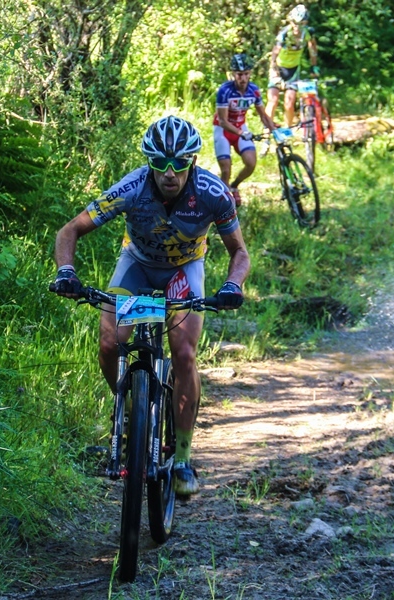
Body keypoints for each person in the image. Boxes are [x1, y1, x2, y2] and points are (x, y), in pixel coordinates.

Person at [52, 115, 250, 496]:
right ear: (149, 162)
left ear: (192, 161)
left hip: (183, 270)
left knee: (184, 354)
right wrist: (66, 272)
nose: (169, 173)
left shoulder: (213, 193)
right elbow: (70, 230)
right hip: (138, 267)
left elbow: (239, 252)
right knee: (110, 344)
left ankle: (182, 458)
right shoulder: (132, 186)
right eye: (159, 163)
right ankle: (129, 414)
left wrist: (232, 284)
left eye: (179, 163)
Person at [213, 53, 276, 207]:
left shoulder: (254, 90)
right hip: (223, 130)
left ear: (250, 74)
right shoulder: (225, 90)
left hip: (241, 128)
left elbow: (263, 115)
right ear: (233, 74)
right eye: (239, 74)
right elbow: (223, 121)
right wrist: (242, 133)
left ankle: (234, 186)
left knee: (250, 163)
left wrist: (274, 129)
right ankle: (224, 205)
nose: (243, 78)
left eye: (246, 74)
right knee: (226, 170)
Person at [263, 3, 319, 140]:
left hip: (293, 71)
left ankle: (286, 133)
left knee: (289, 103)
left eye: (301, 24)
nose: (297, 27)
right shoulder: (284, 34)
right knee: (273, 101)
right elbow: (274, 54)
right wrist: (274, 71)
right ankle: (266, 132)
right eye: (294, 23)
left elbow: (313, 49)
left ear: (305, 23)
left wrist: (314, 66)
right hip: (278, 68)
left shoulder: (308, 33)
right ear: (291, 21)